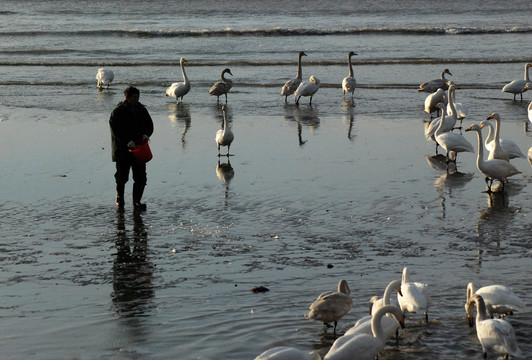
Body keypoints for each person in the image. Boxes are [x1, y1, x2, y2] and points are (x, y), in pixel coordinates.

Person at [109, 86, 154, 211]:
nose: (137, 99)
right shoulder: (117, 112)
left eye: (138, 97)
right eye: (134, 97)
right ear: (127, 97)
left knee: (141, 177)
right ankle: (120, 198)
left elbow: (149, 125)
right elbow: (115, 130)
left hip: (139, 149)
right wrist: (127, 141)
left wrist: (146, 134)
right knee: (122, 176)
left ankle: (137, 202)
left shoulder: (142, 110)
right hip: (122, 150)